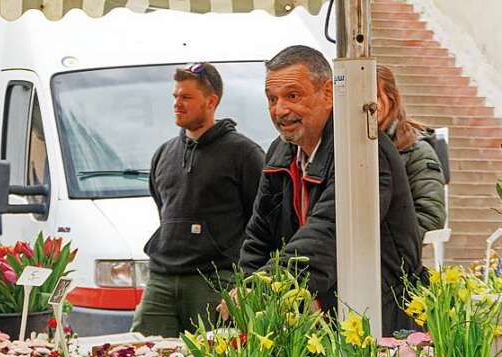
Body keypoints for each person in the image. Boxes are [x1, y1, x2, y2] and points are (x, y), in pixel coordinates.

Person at [239, 45, 423, 335]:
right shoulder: (280, 151)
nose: (280, 110)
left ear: (328, 93)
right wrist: (248, 293)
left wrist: (267, 289)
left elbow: (330, 232)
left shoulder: (363, 150)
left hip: (377, 316)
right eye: (272, 99)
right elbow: (259, 237)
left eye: (293, 96)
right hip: (314, 324)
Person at [132, 63, 264, 336]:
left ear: (211, 101)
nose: (177, 104)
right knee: (142, 355)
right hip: (162, 279)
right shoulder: (163, 153)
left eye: (186, 97)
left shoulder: (244, 153)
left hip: (216, 280)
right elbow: (163, 209)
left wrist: (250, 279)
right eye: (175, 97)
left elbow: (261, 220)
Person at [377, 64, 447, 240]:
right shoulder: (338, 147)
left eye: (373, 97)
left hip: (391, 256)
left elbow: (430, 217)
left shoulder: (417, 151)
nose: (363, 105)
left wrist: (382, 244)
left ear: (390, 100)